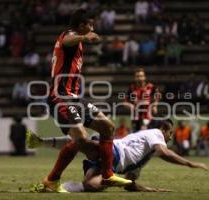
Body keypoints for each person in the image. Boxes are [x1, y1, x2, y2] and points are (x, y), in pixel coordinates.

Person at [32, 9, 132, 193]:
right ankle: (51, 180)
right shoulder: (70, 35)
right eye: (90, 24)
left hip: (76, 98)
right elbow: (67, 40)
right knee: (81, 139)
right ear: (81, 26)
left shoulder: (77, 43)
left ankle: (108, 175)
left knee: (108, 127)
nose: (92, 28)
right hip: (61, 97)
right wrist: (84, 37)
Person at [27, 119, 208, 192]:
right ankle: (42, 141)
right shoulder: (156, 133)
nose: (170, 137)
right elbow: (164, 152)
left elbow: (129, 184)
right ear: (164, 129)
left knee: (90, 185)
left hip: (112, 165)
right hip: (114, 152)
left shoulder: (144, 156)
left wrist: (149, 189)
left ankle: (50, 187)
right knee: (81, 142)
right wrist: (190, 164)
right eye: (170, 133)